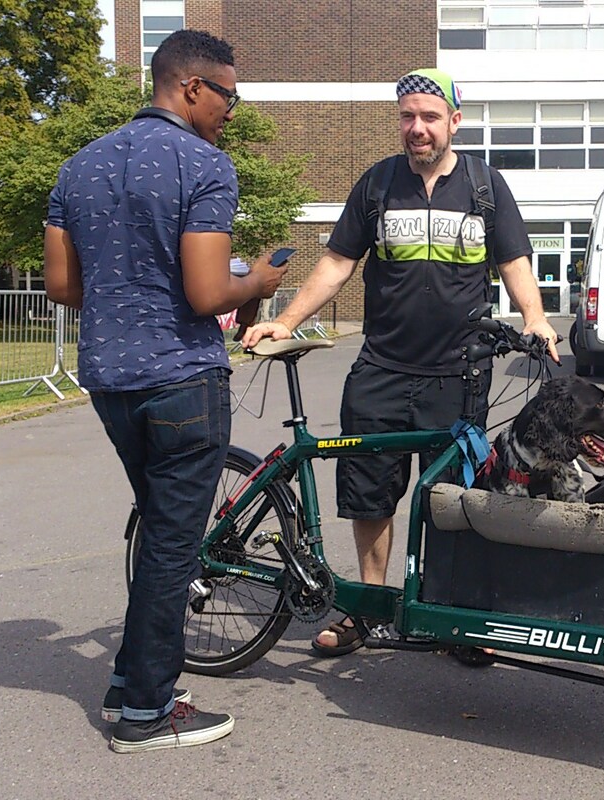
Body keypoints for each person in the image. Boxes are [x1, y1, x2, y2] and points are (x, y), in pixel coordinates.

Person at [241, 68, 559, 657]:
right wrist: (286, 320)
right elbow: (338, 262)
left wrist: (535, 317)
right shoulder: (378, 183)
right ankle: (367, 608)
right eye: (408, 116)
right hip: (382, 369)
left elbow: (514, 260)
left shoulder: (485, 186)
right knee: (370, 496)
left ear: (454, 122)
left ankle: (453, 617)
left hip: (460, 374)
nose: (418, 128)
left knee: (454, 501)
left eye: (430, 117)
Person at [44, 29, 284, 753]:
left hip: (111, 380)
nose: (231, 112)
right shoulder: (203, 165)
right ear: (190, 87)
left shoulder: (78, 166)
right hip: (181, 377)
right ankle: (147, 713)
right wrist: (258, 281)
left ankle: (129, 679)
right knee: (174, 548)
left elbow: (63, 286)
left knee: (160, 533)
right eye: (228, 97)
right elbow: (208, 292)